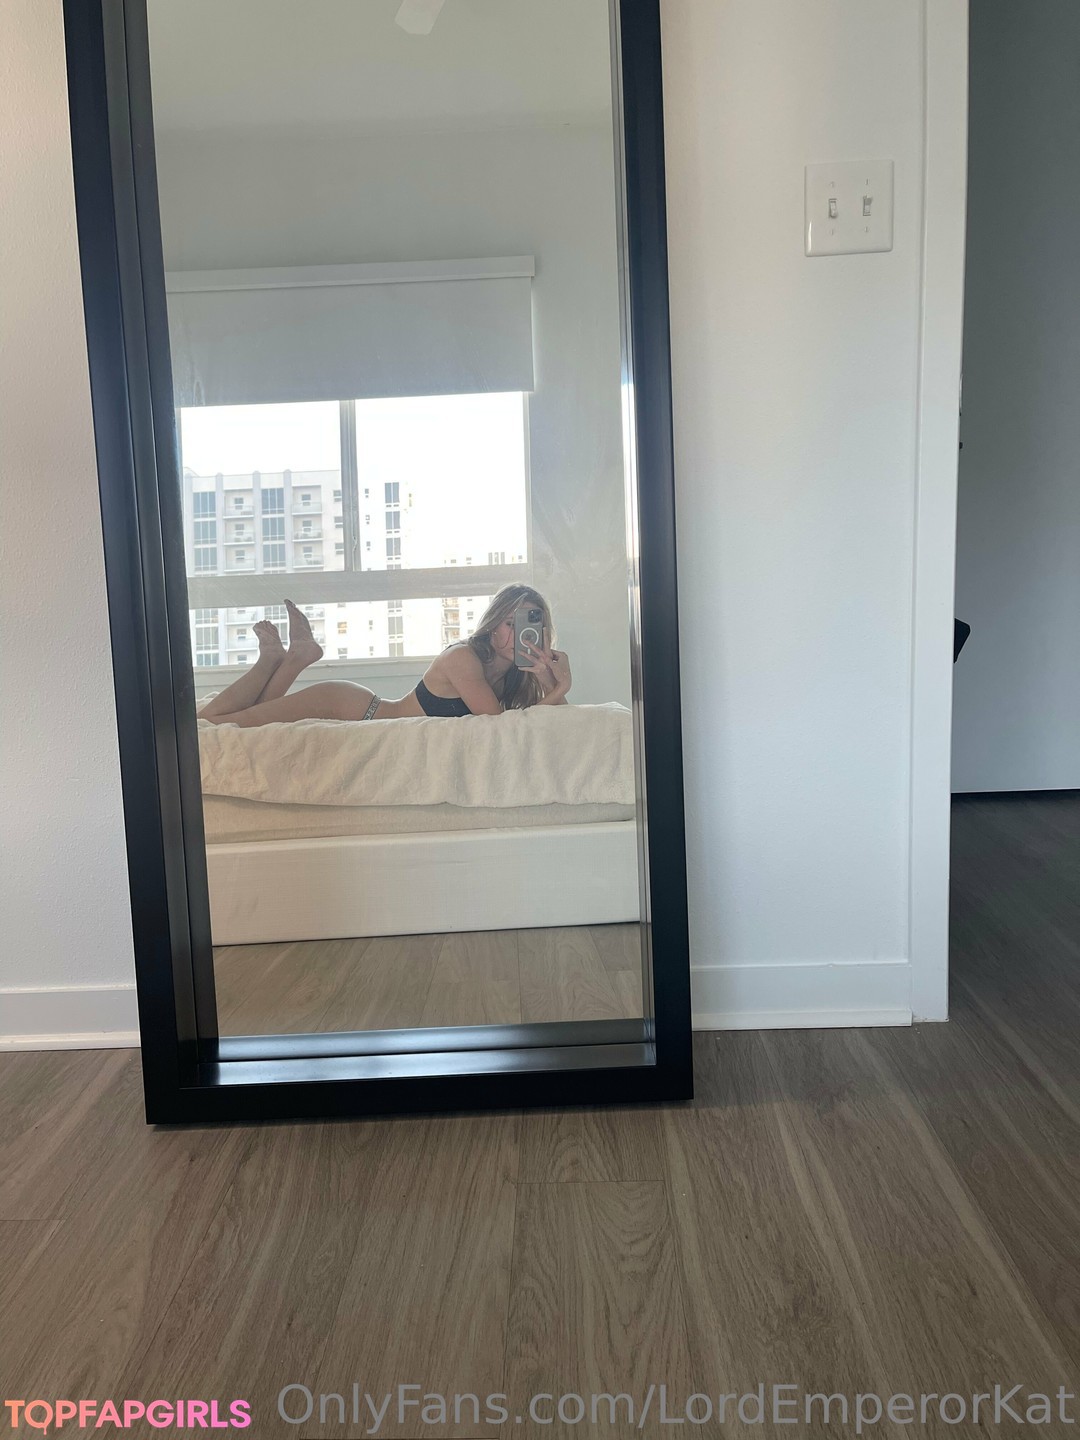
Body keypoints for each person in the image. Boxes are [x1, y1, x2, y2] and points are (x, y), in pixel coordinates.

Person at [197, 584, 572, 727]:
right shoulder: (464, 659)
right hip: (347, 706)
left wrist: (547, 680)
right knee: (215, 723)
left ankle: (296, 656)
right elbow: (498, 726)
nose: (518, 634)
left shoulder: (514, 677)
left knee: (248, 720)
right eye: (509, 622)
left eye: (529, 625)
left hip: (358, 708)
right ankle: (271, 660)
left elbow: (554, 723)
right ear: (492, 625)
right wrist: (560, 688)